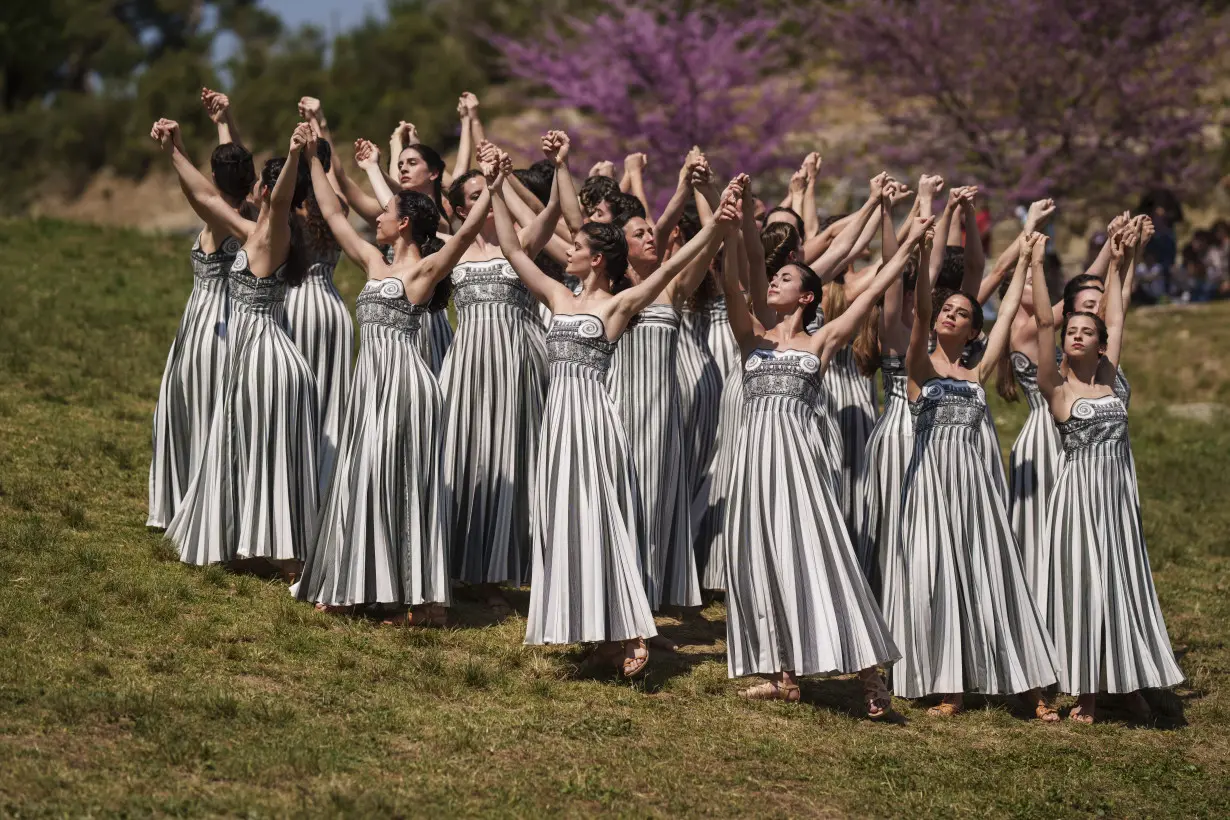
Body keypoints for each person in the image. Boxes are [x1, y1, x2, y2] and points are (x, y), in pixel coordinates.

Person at [491, 143, 737, 677]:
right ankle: (597, 638)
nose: (568, 250)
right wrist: (493, 190)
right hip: (558, 422)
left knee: (602, 517)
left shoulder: (619, 304)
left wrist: (717, 221)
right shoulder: (558, 296)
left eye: (577, 246)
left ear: (596, 259)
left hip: (597, 422)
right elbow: (513, 252)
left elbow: (674, 260)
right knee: (564, 519)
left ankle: (629, 630)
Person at [720, 172, 926, 717]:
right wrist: (730, 219)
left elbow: (879, 288)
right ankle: (782, 672)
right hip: (752, 463)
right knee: (760, 556)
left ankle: (868, 678)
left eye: (785, 278)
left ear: (807, 295)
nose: (774, 283)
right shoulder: (751, 337)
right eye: (775, 275)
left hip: (801, 464)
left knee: (821, 554)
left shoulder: (822, 339)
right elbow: (732, 277)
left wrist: (906, 236)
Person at [294, 136, 492, 624]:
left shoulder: (423, 273)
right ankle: (357, 583)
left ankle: (423, 600)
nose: (376, 217)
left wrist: (497, 183)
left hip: (407, 389)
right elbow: (334, 215)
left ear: (403, 223)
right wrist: (312, 161)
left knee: (398, 480)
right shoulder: (372, 262)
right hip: (370, 389)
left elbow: (464, 238)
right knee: (361, 476)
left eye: (386, 213)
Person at [896, 227, 1059, 720]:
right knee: (938, 574)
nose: (951, 314)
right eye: (950, 309)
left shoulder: (977, 371)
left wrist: (1029, 262)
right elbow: (923, 311)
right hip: (930, 487)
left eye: (962, 314)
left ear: (972, 332)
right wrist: (924, 256)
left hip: (974, 486)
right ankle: (950, 687)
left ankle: (1027, 686)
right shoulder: (918, 366)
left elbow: (1008, 312)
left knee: (993, 572)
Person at [1029, 224, 1184, 723]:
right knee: (1084, 585)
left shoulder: (1111, 380)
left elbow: (1117, 318)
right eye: (1072, 331)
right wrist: (1035, 263)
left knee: (1121, 582)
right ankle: (1088, 693)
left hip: (1116, 497)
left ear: (1100, 345)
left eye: (1085, 332)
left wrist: (1119, 261)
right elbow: (1043, 326)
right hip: (1076, 499)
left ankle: (1129, 682)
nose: (1076, 335)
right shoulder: (1056, 389)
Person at [160, 121, 321, 575]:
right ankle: (252, 543)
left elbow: (284, 196)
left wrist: (292, 157)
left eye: (261, 187)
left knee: (267, 451)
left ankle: (290, 556)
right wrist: (174, 151)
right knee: (242, 444)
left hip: (268, 359)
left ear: (265, 194)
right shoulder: (251, 233)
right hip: (252, 357)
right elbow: (205, 198)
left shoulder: (273, 235)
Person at [436, 134, 564, 614]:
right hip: (468, 362)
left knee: (515, 458)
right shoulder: (451, 246)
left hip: (518, 361)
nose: (484, 200)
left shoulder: (521, 244)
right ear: (457, 209)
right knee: (466, 457)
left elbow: (552, 217)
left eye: (486, 195)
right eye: (472, 196)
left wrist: (517, 176)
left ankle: (509, 566)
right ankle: (462, 564)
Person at [607, 150, 727, 616]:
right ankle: (616, 598)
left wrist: (708, 196)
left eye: (650, 230)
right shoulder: (612, 293)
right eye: (639, 233)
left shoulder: (672, 289)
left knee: (657, 502)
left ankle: (649, 603)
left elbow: (709, 244)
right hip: (618, 407)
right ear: (623, 248)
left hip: (662, 414)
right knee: (620, 500)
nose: (651, 235)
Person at [146, 124, 255, 529]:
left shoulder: (220, 218)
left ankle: (195, 508)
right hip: (230, 321)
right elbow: (203, 188)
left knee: (195, 409)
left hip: (212, 325)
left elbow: (200, 193)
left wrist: (174, 150)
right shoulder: (252, 213)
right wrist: (220, 125)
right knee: (206, 409)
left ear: (214, 178)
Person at [284, 137, 354, 496]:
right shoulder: (336, 208)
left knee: (296, 398)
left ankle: (296, 483)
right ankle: (326, 484)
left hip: (297, 303)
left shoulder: (289, 210)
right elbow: (338, 185)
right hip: (332, 306)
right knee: (330, 400)